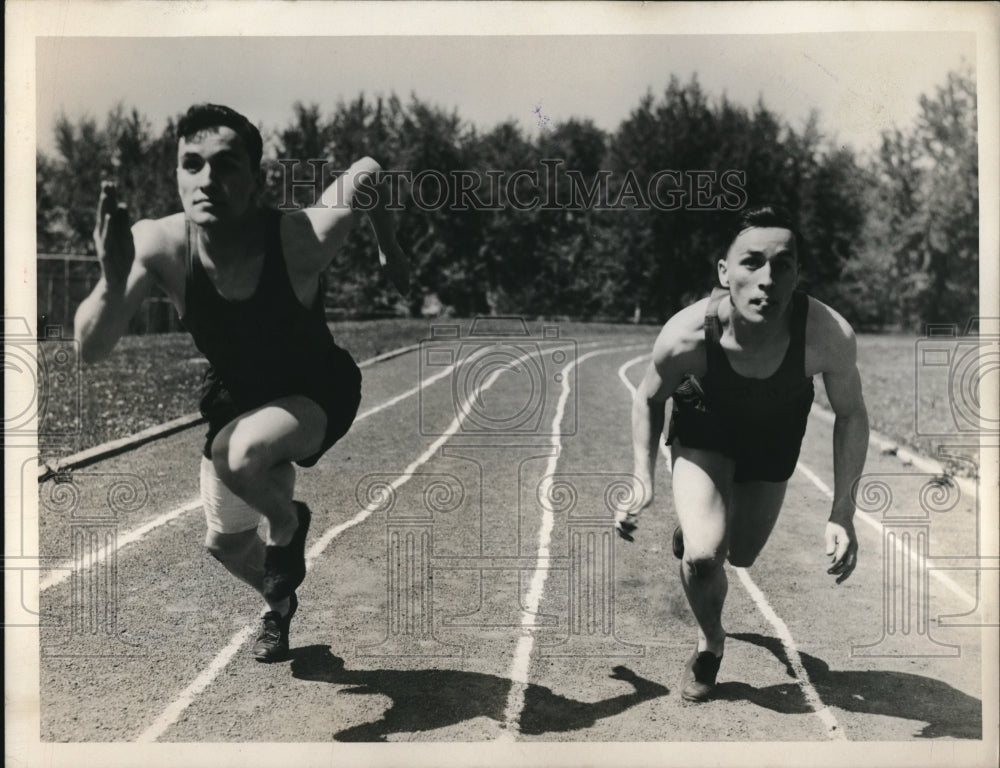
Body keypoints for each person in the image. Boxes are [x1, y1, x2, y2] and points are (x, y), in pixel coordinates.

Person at [75, 103, 409, 662]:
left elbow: (369, 170)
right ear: (178, 174)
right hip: (236, 395)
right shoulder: (158, 244)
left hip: (316, 389)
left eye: (227, 164)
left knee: (242, 454)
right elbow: (89, 349)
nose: (208, 180)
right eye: (192, 164)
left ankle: (287, 519)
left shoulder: (299, 238)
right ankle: (278, 609)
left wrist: (389, 246)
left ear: (256, 179)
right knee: (225, 544)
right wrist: (111, 285)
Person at [616, 205, 869, 701]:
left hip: (774, 438)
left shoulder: (827, 335)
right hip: (705, 426)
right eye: (752, 262)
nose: (768, 280)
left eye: (784, 264)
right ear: (724, 272)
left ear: (798, 273)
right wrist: (642, 479)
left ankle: (695, 528)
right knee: (707, 556)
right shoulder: (687, 334)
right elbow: (648, 397)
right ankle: (710, 643)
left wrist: (843, 511)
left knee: (743, 555)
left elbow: (852, 414)